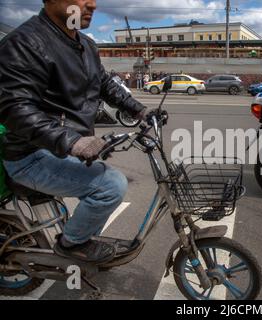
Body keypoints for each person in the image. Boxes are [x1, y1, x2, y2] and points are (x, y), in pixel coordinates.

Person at [0, 0, 151, 263]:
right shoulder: (24, 42)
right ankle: (71, 246)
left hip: (58, 149)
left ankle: (80, 238)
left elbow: (103, 83)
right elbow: (15, 107)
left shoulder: (84, 44)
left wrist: (139, 110)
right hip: (30, 155)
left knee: (103, 182)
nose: (92, 4)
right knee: (110, 186)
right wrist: (72, 142)